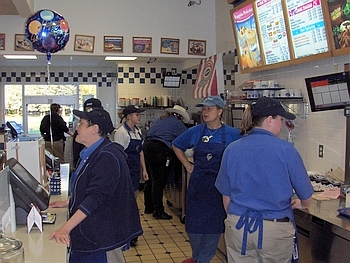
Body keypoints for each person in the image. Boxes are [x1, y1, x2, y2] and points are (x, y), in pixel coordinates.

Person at [215, 97, 314, 263]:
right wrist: (302, 204)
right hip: (274, 230)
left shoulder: (232, 149)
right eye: (280, 119)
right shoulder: (287, 150)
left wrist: (235, 218)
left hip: (238, 226)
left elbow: (226, 195)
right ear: (269, 120)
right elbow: (307, 197)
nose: (282, 124)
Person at [49, 107, 142, 263]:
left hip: (101, 241)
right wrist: (69, 201)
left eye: (82, 123)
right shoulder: (92, 153)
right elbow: (89, 187)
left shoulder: (107, 157)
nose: (77, 127)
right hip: (92, 235)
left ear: (95, 129)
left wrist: (65, 228)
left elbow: (97, 197)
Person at [172, 96, 243, 263]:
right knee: (194, 229)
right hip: (198, 189)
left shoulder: (234, 134)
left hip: (219, 191)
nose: (205, 112)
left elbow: (243, 155)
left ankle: (202, 259)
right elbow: (176, 145)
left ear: (220, 111)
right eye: (203, 109)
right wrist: (187, 165)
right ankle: (198, 257)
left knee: (213, 230)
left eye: (209, 109)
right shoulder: (196, 131)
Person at [143, 105, 189, 220]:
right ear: (179, 116)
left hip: (148, 147)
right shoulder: (176, 123)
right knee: (159, 182)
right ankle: (158, 211)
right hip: (160, 150)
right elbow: (187, 138)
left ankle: (149, 207)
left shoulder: (160, 119)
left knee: (151, 180)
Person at [114, 104, 149, 246]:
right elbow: (118, 156)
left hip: (134, 173)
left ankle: (131, 233)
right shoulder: (121, 132)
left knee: (133, 203)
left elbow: (140, 152)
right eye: (137, 114)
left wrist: (144, 170)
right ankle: (124, 233)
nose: (139, 117)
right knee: (125, 203)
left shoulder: (138, 131)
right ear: (129, 117)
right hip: (125, 172)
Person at [72, 98, 103, 168]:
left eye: (81, 124)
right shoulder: (79, 136)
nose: (77, 128)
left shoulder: (105, 157)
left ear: (94, 128)